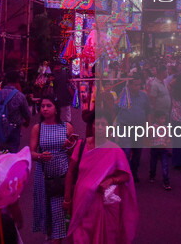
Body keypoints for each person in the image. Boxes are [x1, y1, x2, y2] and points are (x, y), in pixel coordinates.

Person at [63, 113, 138, 243]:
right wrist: (67, 199)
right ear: (91, 126)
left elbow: (126, 175)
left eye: (104, 124)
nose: (100, 127)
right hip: (81, 201)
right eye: (97, 124)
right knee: (81, 236)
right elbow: (70, 172)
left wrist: (111, 180)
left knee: (104, 237)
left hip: (103, 205)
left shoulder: (115, 150)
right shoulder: (81, 145)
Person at [30, 96, 76, 244]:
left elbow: (74, 153)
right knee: (46, 211)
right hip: (43, 178)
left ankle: (56, 239)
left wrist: (69, 146)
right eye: (42, 106)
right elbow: (30, 153)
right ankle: (51, 234)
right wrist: (39, 156)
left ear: (56, 109)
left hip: (62, 176)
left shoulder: (67, 127)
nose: (44, 109)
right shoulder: (38, 128)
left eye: (48, 106)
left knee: (58, 212)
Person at [115, 75, 151, 182]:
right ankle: (126, 175)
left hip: (139, 129)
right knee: (126, 151)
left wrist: (148, 127)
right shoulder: (123, 95)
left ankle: (134, 173)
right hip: (125, 128)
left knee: (137, 153)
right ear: (129, 85)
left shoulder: (144, 96)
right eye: (135, 85)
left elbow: (148, 111)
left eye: (139, 84)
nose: (137, 87)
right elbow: (115, 109)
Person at [0, 70, 31, 152]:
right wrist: (26, 122)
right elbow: (27, 114)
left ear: (6, 80)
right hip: (13, 130)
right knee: (11, 155)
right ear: (17, 81)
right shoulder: (20, 96)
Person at [149, 111, 172, 190]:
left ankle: (166, 181)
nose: (163, 120)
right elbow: (149, 136)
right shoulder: (153, 127)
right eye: (162, 119)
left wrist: (167, 142)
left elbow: (169, 138)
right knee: (153, 164)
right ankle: (152, 175)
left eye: (164, 119)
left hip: (163, 149)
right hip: (155, 148)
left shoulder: (166, 128)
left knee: (165, 166)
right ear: (157, 119)